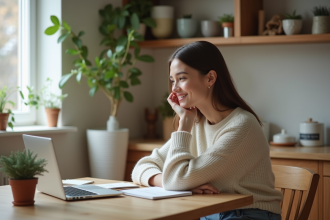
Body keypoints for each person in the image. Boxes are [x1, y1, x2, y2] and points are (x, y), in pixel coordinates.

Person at [131, 41, 283, 220]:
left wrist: (179, 181)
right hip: (211, 212)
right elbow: (141, 168)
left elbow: (176, 180)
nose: (174, 88)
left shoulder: (242, 126)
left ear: (210, 78)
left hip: (247, 213)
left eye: (182, 78)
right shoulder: (197, 123)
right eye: (172, 80)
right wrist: (178, 183)